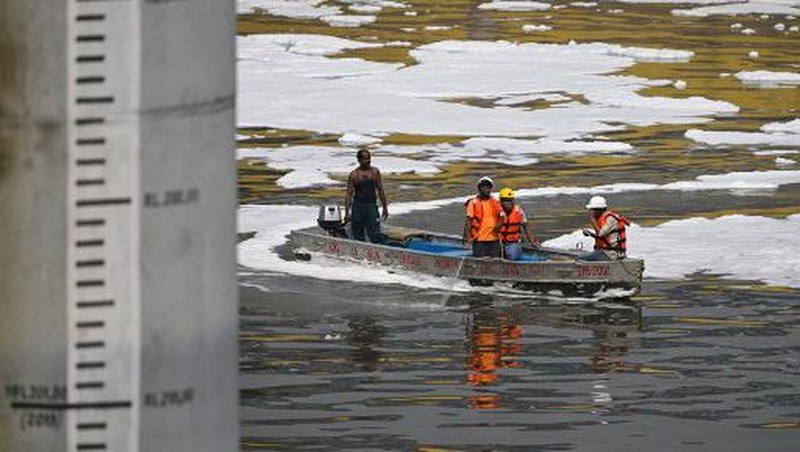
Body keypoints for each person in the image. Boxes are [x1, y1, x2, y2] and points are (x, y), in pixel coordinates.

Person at [344, 149, 388, 243]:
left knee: (374, 232)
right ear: (359, 160)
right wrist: (347, 212)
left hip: (371, 205)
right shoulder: (354, 175)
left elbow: (380, 190)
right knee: (358, 232)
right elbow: (349, 194)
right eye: (364, 159)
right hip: (358, 206)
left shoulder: (375, 172)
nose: (367, 161)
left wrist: (385, 208)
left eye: (368, 158)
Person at [463, 176, 505, 258]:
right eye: (484, 187)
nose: (486, 190)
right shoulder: (473, 203)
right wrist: (468, 239)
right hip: (479, 239)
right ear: (479, 189)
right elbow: (469, 221)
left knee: (496, 260)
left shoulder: (495, 202)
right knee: (480, 260)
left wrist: (498, 225)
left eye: (488, 187)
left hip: (494, 239)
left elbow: (502, 216)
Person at [579, 195, 628, 261]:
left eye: (592, 210)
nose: (591, 212)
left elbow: (600, 234)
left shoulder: (610, 219)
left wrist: (592, 219)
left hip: (611, 253)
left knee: (579, 259)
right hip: (605, 251)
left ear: (599, 210)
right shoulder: (602, 218)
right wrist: (590, 233)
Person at [497, 188, 539, 260]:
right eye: (505, 200)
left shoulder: (519, 211)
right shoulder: (496, 211)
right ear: (501, 201)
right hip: (498, 242)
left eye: (510, 200)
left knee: (512, 256)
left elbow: (526, 227)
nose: (508, 203)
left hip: (513, 242)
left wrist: (532, 241)